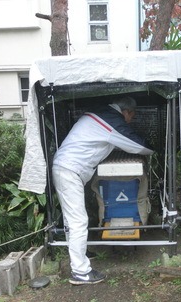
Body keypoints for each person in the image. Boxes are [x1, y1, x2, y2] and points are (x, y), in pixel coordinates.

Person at [52, 96, 153, 285]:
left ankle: (79, 256)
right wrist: (153, 148)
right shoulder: (112, 120)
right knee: (78, 220)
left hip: (64, 166)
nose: (130, 121)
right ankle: (81, 272)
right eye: (132, 117)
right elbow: (137, 146)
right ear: (126, 112)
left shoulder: (100, 113)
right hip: (69, 169)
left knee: (70, 219)